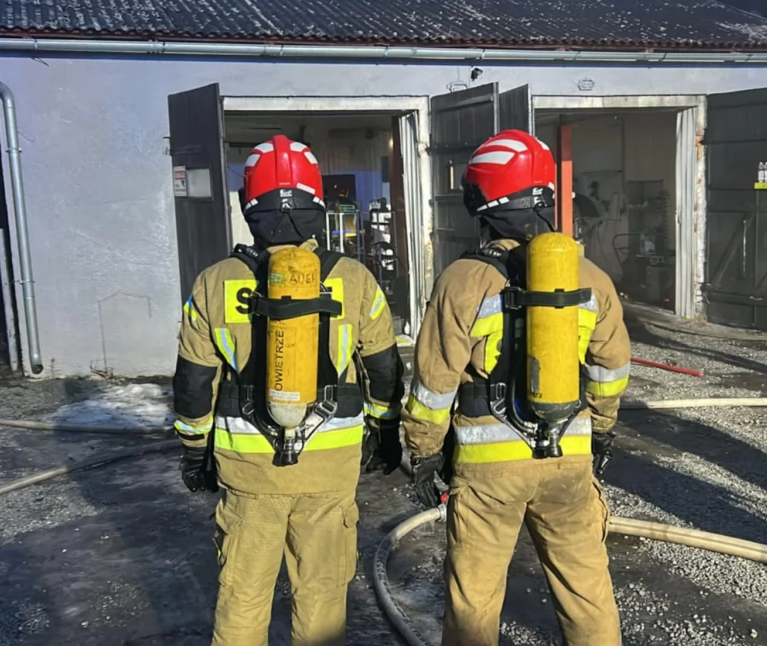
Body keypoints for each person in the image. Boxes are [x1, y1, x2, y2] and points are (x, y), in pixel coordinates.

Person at [171, 135, 405, 646]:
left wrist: (194, 451)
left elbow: (193, 382)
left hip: (249, 473)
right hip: (330, 470)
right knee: (320, 601)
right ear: (317, 206)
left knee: (242, 598)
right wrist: (386, 434)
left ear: (247, 208)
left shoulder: (214, 282)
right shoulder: (355, 279)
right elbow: (384, 370)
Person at [403, 129, 628, 646]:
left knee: (474, 601)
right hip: (569, 455)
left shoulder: (462, 280)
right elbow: (610, 368)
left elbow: (435, 381)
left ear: (481, 202)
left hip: (488, 470)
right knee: (587, 592)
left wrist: (424, 452)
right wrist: (602, 432)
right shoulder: (592, 277)